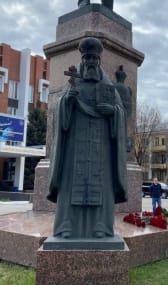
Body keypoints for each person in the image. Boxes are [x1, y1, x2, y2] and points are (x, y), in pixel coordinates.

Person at [47, 37, 127, 239]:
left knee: (101, 184)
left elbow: (120, 111)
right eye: (87, 58)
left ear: (99, 61)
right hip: (76, 144)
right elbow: (59, 112)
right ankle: (66, 226)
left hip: (101, 146)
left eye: (94, 58)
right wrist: (67, 101)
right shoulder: (73, 83)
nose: (91, 61)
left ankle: (101, 226)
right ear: (82, 60)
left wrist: (112, 112)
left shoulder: (108, 86)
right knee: (71, 181)